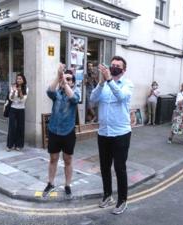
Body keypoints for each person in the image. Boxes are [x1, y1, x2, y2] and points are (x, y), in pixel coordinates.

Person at [90, 56, 133, 215]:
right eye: (112, 65)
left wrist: (109, 80)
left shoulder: (128, 84)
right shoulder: (104, 85)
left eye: (118, 66)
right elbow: (92, 99)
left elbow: (122, 97)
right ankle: (107, 195)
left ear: (123, 70)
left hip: (121, 133)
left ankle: (122, 200)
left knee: (120, 168)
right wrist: (101, 83)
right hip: (104, 133)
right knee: (104, 166)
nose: (114, 67)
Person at [42, 64, 80, 199]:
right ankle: (50, 183)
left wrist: (65, 84)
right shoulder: (57, 93)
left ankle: (67, 185)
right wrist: (58, 77)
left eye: (69, 79)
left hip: (68, 131)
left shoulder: (76, 92)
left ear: (73, 82)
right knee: (53, 158)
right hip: (54, 130)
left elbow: (75, 99)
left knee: (68, 159)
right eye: (65, 78)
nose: (66, 80)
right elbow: (49, 91)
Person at [6, 73, 28, 151]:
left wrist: (20, 91)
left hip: (21, 109)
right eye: (17, 78)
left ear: (23, 80)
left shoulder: (26, 88)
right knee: (12, 127)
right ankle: (10, 145)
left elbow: (23, 100)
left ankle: (18, 145)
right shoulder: (13, 87)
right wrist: (13, 91)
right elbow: (11, 98)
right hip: (13, 108)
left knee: (20, 127)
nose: (18, 80)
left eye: (20, 79)